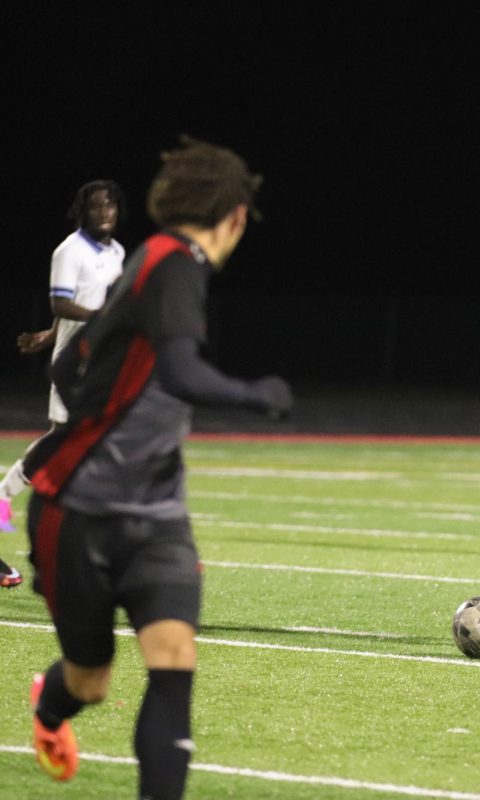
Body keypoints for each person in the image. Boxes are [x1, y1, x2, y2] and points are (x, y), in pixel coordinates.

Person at [22, 137, 292, 798]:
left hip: (157, 511)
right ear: (234, 216)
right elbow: (179, 371)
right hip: (80, 511)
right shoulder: (174, 263)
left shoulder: (146, 260)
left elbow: (65, 363)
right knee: (91, 681)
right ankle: (50, 708)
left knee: (174, 660)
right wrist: (259, 395)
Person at [0, 181, 127, 590]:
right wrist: (99, 319)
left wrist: (47, 335)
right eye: (96, 205)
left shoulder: (117, 252)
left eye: (110, 203)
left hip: (103, 365)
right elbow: (62, 303)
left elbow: (81, 310)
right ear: (82, 211)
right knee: (70, 442)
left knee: (81, 443)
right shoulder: (68, 251)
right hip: (73, 369)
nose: (105, 210)